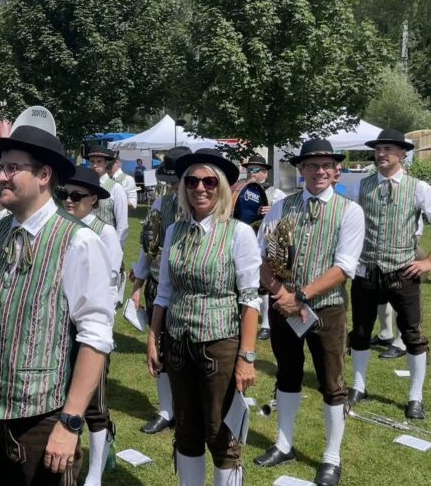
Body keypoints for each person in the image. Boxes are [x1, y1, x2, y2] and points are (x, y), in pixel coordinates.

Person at [0, 124, 114, 485]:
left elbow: (96, 337)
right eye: (1, 167)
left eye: (12, 168)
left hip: (43, 414)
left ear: (43, 175)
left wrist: (70, 422)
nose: (1, 176)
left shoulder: (78, 241)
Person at [147, 149, 261, 486]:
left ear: (221, 186)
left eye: (209, 181)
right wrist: (154, 337)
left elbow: (250, 300)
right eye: (193, 181)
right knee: (186, 429)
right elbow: (164, 291)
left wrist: (247, 357)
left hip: (220, 344)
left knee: (221, 432)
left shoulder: (238, 233)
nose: (201, 188)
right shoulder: (174, 232)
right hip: (179, 343)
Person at [254, 139, 364, 486]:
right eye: (311, 165)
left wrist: (299, 296)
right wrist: (280, 293)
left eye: (325, 166)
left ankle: (332, 457)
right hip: (283, 306)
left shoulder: (350, 211)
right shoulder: (281, 206)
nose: (319, 171)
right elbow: (260, 254)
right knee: (287, 374)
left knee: (332, 384)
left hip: (326, 311)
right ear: (301, 170)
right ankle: (284, 443)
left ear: (336, 171)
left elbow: (343, 267)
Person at [347, 129, 430, 419]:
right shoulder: (363, 185)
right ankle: (358, 386)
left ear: (402, 154)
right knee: (359, 331)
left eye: (389, 149)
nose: (382, 154)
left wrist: (427, 262)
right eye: (379, 149)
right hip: (366, 270)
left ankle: (415, 397)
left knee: (412, 335)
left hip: (402, 271)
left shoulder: (418, 187)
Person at [59, 166, 122, 486]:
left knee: (94, 403)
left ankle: (95, 473)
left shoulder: (104, 231)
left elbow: (108, 284)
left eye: (76, 196)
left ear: (93, 199)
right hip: (59, 327)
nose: (68, 201)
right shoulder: (59, 227)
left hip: (88, 326)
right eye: (64, 194)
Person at [129, 146, 191, 435]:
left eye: (181, 180)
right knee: (162, 349)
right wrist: (138, 286)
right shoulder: (160, 205)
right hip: (159, 285)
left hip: (192, 291)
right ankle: (166, 410)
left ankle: (187, 408)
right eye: (173, 181)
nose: (176, 186)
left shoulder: (209, 205)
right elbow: (147, 248)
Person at [241, 154, 286, 342]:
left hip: (268, 241)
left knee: (266, 284)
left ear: (265, 173)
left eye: (255, 170)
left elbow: (286, 217)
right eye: (249, 169)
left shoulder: (277, 194)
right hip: (245, 239)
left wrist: (273, 209)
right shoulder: (241, 189)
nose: (251, 173)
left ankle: (266, 324)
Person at [85, 145, 129, 246]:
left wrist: (116, 248)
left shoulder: (116, 188)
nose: (95, 165)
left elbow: (122, 224)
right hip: (87, 243)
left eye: (99, 161)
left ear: (106, 163)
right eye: (92, 162)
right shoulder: (86, 186)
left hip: (107, 244)